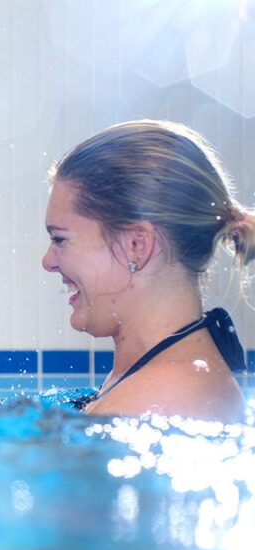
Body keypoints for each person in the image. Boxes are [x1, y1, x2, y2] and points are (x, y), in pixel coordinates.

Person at [43, 120, 250, 422]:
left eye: (60, 239)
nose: (48, 261)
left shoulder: (166, 395)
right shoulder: (152, 379)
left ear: (136, 245)